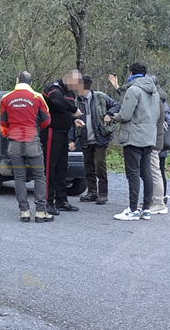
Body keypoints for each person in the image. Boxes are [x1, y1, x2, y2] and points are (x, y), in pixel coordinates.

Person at [0, 71, 53, 222]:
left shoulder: (6, 98)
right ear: (31, 82)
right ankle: (41, 211)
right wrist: (36, 129)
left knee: (19, 178)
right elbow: (46, 120)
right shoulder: (37, 97)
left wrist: (8, 133)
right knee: (39, 177)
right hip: (32, 141)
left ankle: (24, 211)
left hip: (15, 143)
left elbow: (2, 123)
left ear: (17, 80)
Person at [109, 63, 160, 221]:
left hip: (133, 137)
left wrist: (113, 117)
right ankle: (146, 209)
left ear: (131, 72)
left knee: (133, 174)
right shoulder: (154, 91)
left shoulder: (133, 89)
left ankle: (132, 209)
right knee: (147, 174)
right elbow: (157, 114)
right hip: (149, 136)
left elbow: (125, 114)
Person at [68, 75, 120, 205]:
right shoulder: (76, 102)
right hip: (85, 139)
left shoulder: (100, 97)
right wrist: (71, 140)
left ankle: (103, 194)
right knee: (88, 167)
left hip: (100, 138)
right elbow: (72, 122)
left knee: (100, 166)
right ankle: (92, 192)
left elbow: (116, 105)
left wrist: (109, 114)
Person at [41, 70, 85, 215]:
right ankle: (47, 201)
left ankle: (61, 200)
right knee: (50, 167)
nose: (76, 87)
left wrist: (74, 119)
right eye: (76, 83)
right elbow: (57, 102)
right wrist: (75, 110)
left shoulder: (70, 92)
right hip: (51, 131)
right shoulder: (53, 88)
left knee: (61, 167)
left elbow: (66, 111)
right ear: (68, 79)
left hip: (64, 132)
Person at [149, 76, 170, 215]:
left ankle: (159, 200)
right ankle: (156, 198)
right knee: (156, 170)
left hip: (158, 140)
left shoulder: (158, 99)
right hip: (158, 140)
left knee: (158, 170)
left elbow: (167, 119)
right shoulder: (159, 97)